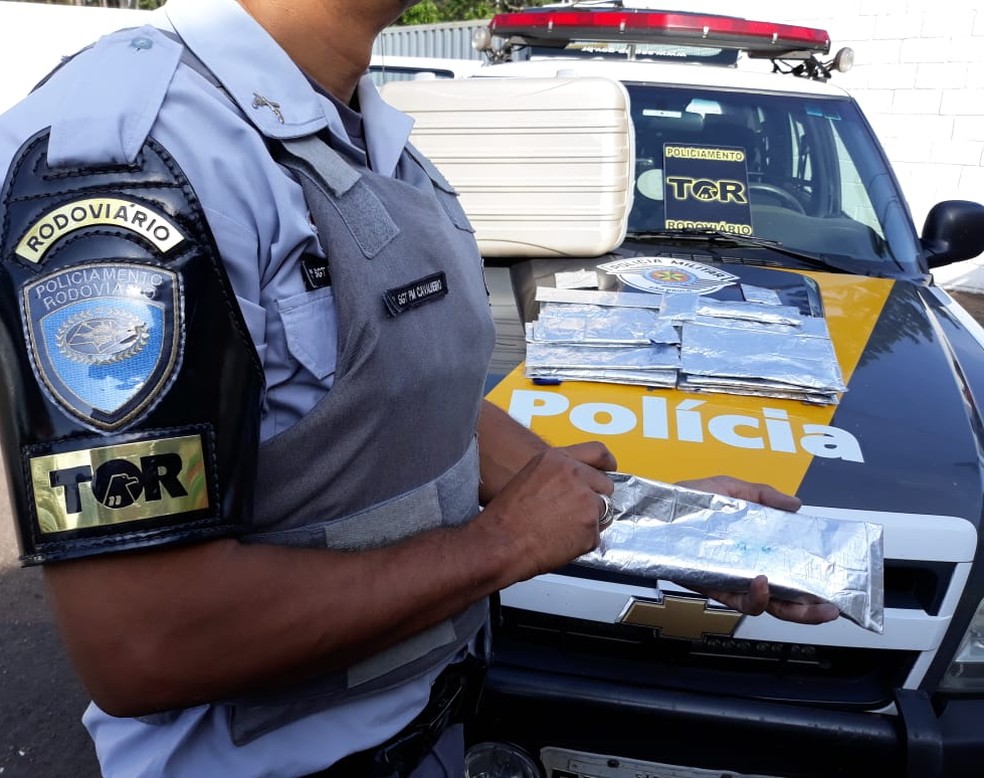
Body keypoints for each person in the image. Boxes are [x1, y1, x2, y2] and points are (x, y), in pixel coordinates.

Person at [0, 1, 838, 776]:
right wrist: (499, 548)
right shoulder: (139, 156)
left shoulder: (354, 119)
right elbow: (145, 644)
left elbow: (414, 400)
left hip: (434, 727)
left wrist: (685, 533)